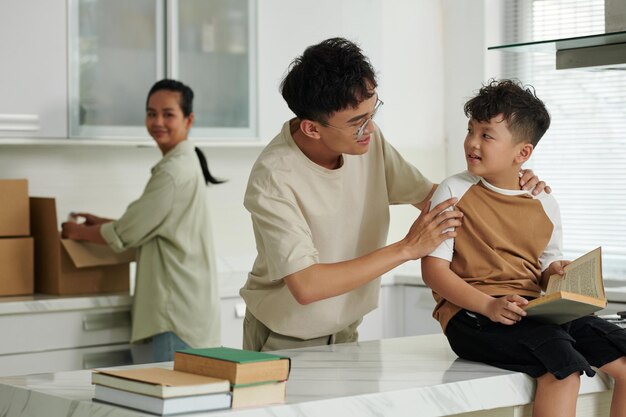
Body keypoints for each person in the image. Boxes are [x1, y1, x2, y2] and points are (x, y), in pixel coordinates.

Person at [240, 38, 547, 352]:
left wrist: (509, 183)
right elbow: (306, 285)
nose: (370, 129)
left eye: (372, 114)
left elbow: (438, 202)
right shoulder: (273, 178)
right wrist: (407, 249)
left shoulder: (367, 142)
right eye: (357, 122)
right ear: (312, 129)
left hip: (346, 333)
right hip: (282, 340)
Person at [421, 79, 626, 417]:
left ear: (523, 153)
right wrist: (488, 305)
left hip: (533, 310)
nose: (472, 142)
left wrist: (555, 273)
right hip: (472, 317)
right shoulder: (453, 190)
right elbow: (433, 271)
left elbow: (545, 270)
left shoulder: (543, 200)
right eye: (471, 130)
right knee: (564, 369)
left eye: (486, 135)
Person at [62, 79, 224, 363]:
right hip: (190, 310)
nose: (157, 121)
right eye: (151, 113)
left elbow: (127, 232)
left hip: (175, 314)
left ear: (189, 119)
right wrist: (99, 222)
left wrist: (77, 231)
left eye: (168, 114)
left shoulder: (173, 172)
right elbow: (151, 223)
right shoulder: (183, 163)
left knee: (168, 402)